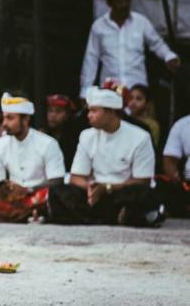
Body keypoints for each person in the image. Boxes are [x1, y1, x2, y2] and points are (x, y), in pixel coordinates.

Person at [47, 85, 163, 227]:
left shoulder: (140, 137)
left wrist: (107, 188)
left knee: (143, 195)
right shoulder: (86, 135)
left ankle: (94, 217)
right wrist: (91, 187)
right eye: (89, 110)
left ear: (111, 112)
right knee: (58, 192)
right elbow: (75, 177)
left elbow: (142, 181)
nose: (89, 115)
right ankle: (116, 217)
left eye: (94, 111)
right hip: (95, 194)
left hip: (121, 192)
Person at [0, 93, 65, 222]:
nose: (4, 123)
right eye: (4, 118)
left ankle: (8, 216)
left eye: (10, 118)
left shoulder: (48, 143)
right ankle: (25, 216)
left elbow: (57, 181)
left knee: (56, 196)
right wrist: (7, 190)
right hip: (12, 200)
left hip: (38, 195)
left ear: (25, 119)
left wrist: (28, 190)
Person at [80, 0, 179, 94]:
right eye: (119, 1)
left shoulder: (141, 22)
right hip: (110, 90)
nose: (124, 5)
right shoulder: (99, 27)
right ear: (109, 3)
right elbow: (91, 59)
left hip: (136, 89)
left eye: (127, 0)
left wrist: (169, 56)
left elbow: (156, 44)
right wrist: (85, 90)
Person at [45, 94, 82, 169]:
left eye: (58, 111)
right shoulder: (43, 135)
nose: (53, 115)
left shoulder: (76, 137)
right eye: (50, 111)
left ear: (67, 114)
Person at [126, 84, 161, 149]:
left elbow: (151, 148)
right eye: (130, 98)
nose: (133, 102)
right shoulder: (124, 120)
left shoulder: (152, 125)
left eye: (138, 99)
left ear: (147, 104)